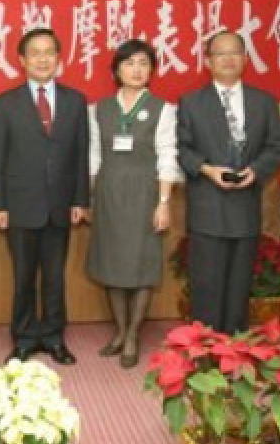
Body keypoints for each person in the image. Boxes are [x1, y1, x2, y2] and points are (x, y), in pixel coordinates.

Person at [0, 28, 89, 365]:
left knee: (55, 278)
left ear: (59, 58)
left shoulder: (75, 101)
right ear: (22, 60)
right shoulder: (5, 103)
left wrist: (80, 200)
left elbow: (81, 153)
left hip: (61, 205)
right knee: (24, 278)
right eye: (35, 53)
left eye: (49, 52)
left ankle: (54, 337)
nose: (43, 59)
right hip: (19, 206)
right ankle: (24, 337)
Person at [176, 31, 280, 335]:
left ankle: (236, 346)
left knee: (239, 284)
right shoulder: (191, 103)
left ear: (246, 59)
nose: (228, 59)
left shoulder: (264, 102)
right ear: (208, 61)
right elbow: (182, 149)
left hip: (245, 204)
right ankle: (205, 345)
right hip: (208, 204)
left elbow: (275, 148)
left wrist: (256, 171)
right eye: (220, 53)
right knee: (206, 283)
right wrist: (207, 169)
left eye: (234, 52)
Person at [85, 39, 183, 368]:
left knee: (141, 266)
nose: (137, 70)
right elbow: (94, 156)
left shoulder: (163, 109)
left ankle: (132, 335)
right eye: (129, 63)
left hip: (144, 194)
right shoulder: (99, 109)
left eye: (143, 63)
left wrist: (164, 202)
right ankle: (120, 330)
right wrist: (90, 197)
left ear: (152, 69)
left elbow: (167, 157)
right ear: (117, 70)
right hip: (109, 194)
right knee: (112, 265)